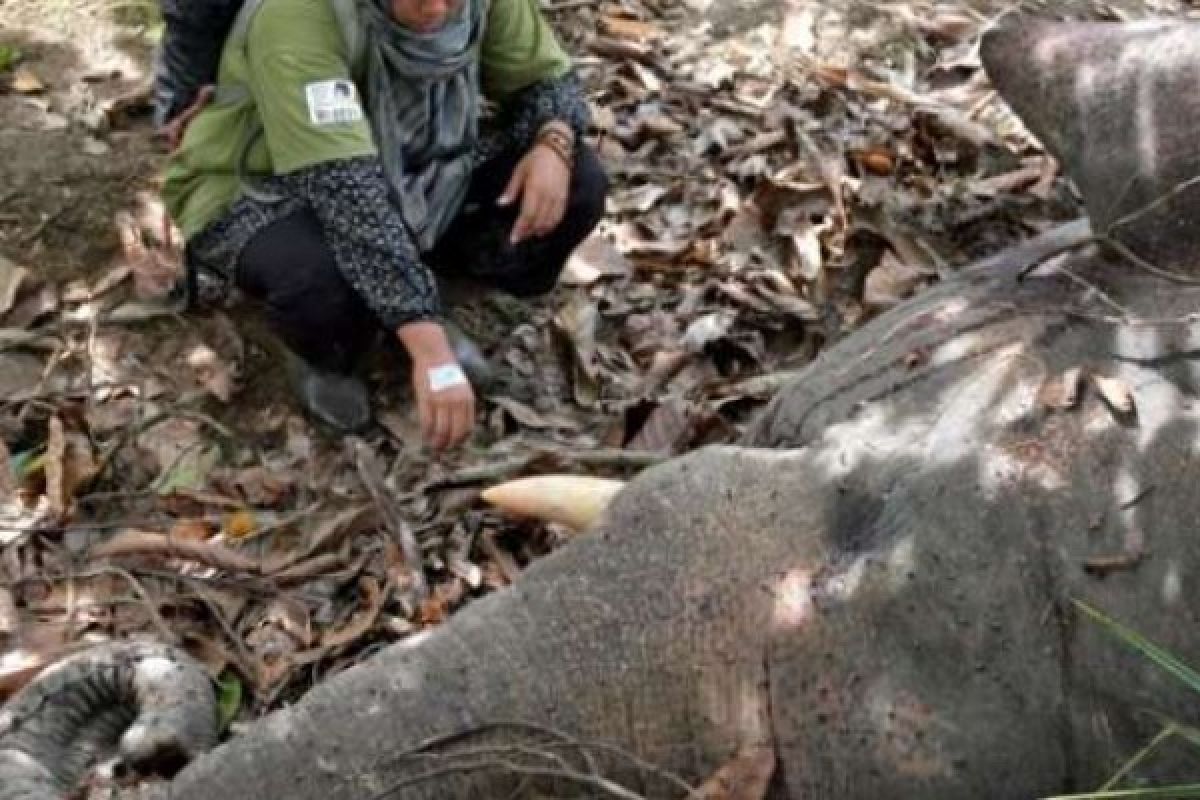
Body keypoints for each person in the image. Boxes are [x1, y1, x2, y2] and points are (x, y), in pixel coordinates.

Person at [158, 0, 607, 449]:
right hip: (265, 178)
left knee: (579, 183)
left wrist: (554, 142)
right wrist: (433, 354)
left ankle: (420, 296)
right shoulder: (298, 15)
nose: (436, 8)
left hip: (416, 162)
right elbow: (348, 195)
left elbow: (547, 77)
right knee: (318, 286)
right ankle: (327, 352)